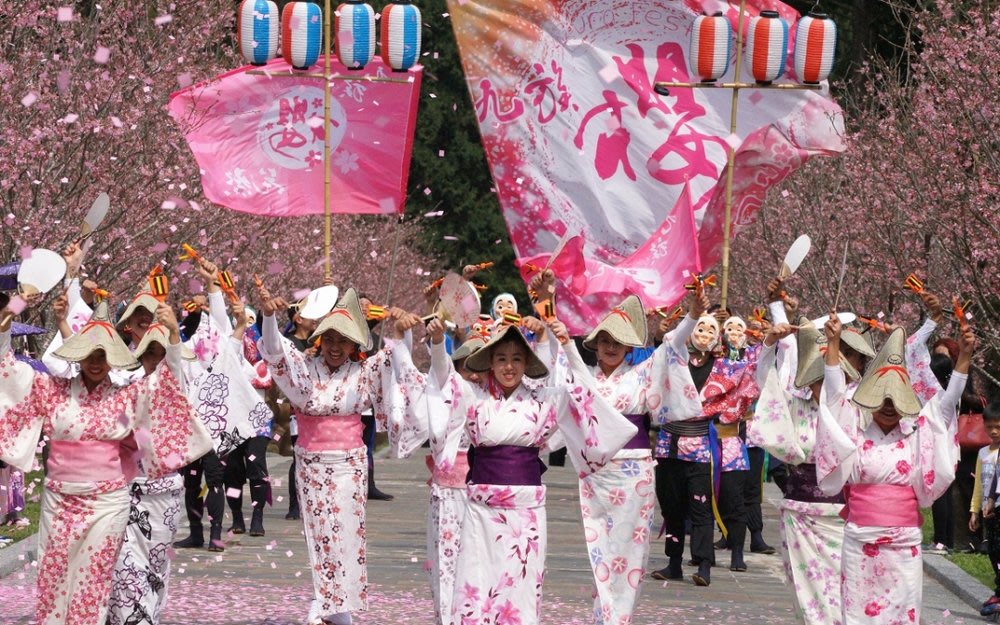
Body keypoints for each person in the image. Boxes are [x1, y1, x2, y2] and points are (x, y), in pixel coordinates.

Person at [415, 310, 636, 625]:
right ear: (490, 362)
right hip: (480, 510)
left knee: (520, 589)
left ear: (526, 365)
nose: (508, 366)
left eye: (517, 359)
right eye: (501, 358)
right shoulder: (474, 396)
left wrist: (559, 342)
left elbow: (586, 393)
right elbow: (443, 380)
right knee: (475, 586)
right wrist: (438, 343)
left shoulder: (545, 399)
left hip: (526, 511)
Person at [0, 297, 212, 625]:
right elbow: (10, 373)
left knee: (92, 581)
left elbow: (167, 383)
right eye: (89, 355)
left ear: (112, 360)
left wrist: (172, 336)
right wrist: (3, 332)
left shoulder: (127, 396)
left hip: (107, 503)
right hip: (59, 502)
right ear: (79, 356)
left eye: (102, 356)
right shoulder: (52, 389)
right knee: (53, 579)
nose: (96, 362)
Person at [258, 286, 414, 625]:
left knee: (345, 534)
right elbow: (274, 354)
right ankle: (328, 604)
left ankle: (335, 607)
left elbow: (397, 364)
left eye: (343, 341)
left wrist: (402, 335)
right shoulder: (303, 368)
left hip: (349, 466)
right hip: (311, 464)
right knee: (320, 534)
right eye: (329, 339)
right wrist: (268, 317)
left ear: (355, 345)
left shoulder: (365, 372)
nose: (334, 347)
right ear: (318, 340)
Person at [815, 315, 971, 625]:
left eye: (895, 399)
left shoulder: (919, 435)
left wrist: (964, 358)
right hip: (860, 540)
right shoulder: (854, 433)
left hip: (904, 544)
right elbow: (834, 396)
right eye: (882, 398)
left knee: (901, 615)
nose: (888, 405)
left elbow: (947, 403)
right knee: (858, 614)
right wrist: (833, 345)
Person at [561, 293, 701, 625]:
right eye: (604, 340)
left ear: (629, 348)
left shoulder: (641, 374)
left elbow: (670, 345)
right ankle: (605, 615)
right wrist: (558, 329)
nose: (610, 347)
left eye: (618, 342)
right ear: (595, 345)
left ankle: (616, 618)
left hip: (634, 472)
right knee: (602, 552)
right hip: (596, 472)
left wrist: (693, 316)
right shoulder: (586, 376)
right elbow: (568, 359)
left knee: (630, 554)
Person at [751, 311, 857, 625]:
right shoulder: (794, 404)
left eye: (830, 377)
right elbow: (764, 385)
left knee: (840, 588)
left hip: (841, 514)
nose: (821, 385)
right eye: (817, 379)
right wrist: (769, 342)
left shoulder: (853, 410)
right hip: (799, 512)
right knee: (806, 590)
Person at [652, 300, 763, 586]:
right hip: (668, 444)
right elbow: (665, 345)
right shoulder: (674, 360)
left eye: (710, 329)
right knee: (671, 507)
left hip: (701, 444)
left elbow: (752, 374)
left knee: (701, 506)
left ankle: (703, 564)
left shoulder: (726, 368)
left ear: (717, 338)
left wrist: (770, 341)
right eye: (699, 327)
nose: (703, 332)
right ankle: (673, 561)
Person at [970, 402, 1000, 616]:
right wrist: (974, 509)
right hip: (987, 511)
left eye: (998, 426)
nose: (994, 431)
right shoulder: (982, 453)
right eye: (989, 426)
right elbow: (979, 484)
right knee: (993, 551)